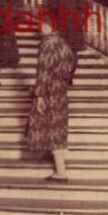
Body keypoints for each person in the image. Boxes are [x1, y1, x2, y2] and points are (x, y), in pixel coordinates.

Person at [25, 17, 76, 181]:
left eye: (41, 26)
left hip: (49, 91)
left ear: (47, 26)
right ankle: (60, 169)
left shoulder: (47, 45)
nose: (39, 29)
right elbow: (73, 63)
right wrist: (64, 79)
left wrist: (39, 95)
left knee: (51, 128)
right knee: (59, 127)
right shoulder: (63, 43)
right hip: (61, 90)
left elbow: (43, 71)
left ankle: (61, 172)